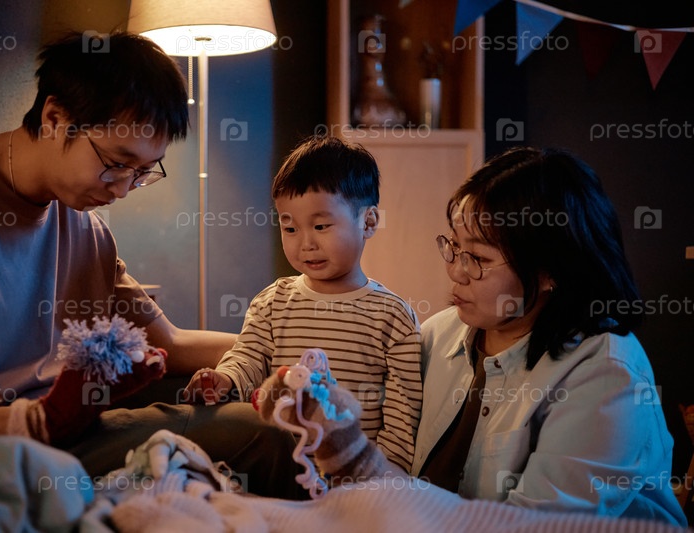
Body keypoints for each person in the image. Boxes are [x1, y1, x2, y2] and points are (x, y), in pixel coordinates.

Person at [0, 31, 302, 498]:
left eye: (143, 172)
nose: (123, 189)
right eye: (117, 163)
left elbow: (167, 342)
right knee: (262, 439)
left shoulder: (85, 225)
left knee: (272, 424)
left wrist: (289, 349)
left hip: (77, 431)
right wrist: (35, 421)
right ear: (55, 119)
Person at [255, 146, 687, 525]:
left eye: (477, 257)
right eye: (454, 247)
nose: (456, 272)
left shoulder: (606, 376)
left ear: (549, 271)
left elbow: (531, 528)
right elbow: (355, 355)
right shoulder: (443, 333)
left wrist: (354, 458)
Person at [184, 135, 423, 471]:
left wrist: (382, 477)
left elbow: (403, 416)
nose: (305, 243)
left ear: (368, 222)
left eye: (321, 226)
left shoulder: (392, 316)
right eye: (290, 228)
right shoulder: (272, 302)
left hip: (355, 477)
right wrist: (224, 379)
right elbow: (248, 358)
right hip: (278, 470)